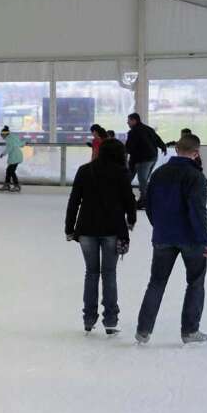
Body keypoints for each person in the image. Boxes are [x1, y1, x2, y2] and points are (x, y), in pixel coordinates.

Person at [135, 133, 207, 345]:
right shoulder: (195, 177)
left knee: (156, 283)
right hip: (191, 240)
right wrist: (206, 240)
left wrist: (161, 227)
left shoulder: (159, 173)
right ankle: (189, 331)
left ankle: (143, 331)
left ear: (177, 149)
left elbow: (149, 207)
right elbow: (197, 212)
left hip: (163, 237)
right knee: (195, 283)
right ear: (196, 153)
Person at [65, 139, 136, 335]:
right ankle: (111, 320)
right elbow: (129, 199)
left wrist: (69, 227)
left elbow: (74, 201)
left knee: (91, 273)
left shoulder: (84, 170)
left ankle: (89, 319)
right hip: (112, 229)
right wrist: (131, 219)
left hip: (86, 228)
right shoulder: (121, 172)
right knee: (109, 274)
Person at [125, 112, 166, 210]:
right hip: (151, 158)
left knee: (142, 180)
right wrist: (163, 147)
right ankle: (132, 198)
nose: (127, 122)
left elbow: (129, 147)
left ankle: (144, 200)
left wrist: (125, 155)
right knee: (132, 178)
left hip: (143, 159)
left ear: (134, 120)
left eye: (129, 120)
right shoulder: (148, 129)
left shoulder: (133, 132)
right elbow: (157, 139)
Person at [167, 128, 207, 197]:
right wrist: (168, 144)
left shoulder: (189, 143)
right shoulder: (184, 142)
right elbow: (176, 143)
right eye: (182, 135)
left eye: (184, 135)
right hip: (190, 161)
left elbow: (178, 144)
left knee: (197, 175)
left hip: (194, 161)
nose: (183, 136)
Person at [0, 126, 25, 193]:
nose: (1, 137)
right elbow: (20, 144)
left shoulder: (9, 139)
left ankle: (16, 185)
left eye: (2, 135)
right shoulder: (13, 137)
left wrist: (3, 154)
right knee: (9, 171)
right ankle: (7, 185)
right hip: (17, 156)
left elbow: (9, 148)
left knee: (11, 171)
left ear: (5, 134)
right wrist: (24, 143)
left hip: (14, 157)